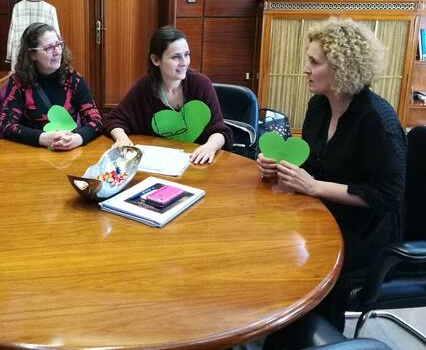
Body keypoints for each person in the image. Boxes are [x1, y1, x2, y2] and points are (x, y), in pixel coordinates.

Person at [257, 17, 406, 334]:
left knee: (298, 266)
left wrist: (313, 186)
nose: (305, 69)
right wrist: (278, 167)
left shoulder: (377, 120)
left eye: (314, 62)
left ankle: (307, 334)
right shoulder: (319, 106)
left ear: (342, 67)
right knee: (263, 238)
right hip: (322, 213)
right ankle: (271, 325)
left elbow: (388, 195)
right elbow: (315, 165)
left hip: (363, 231)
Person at [105, 26, 233, 164]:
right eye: (176, 57)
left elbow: (220, 131)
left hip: (197, 164)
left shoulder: (201, 85)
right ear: (156, 60)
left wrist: (210, 146)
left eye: (187, 54)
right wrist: (122, 138)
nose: (184, 62)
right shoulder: (145, 87)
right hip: (157, 165)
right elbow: (114, 119)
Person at [0, 22, 102, 150]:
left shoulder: (74, 80)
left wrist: (77, 138)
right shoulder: (19, 82)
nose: (57, 52)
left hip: (69, 149)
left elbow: (96, 120)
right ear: (32, 54)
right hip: (31, 151)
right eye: (49, 48)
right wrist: (42, 138)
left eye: (58, 45)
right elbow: (6, 125)